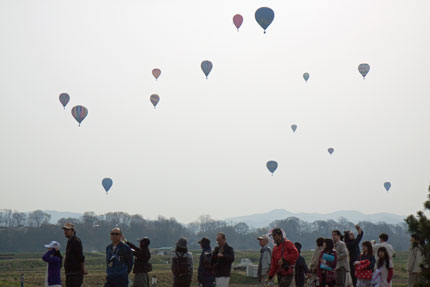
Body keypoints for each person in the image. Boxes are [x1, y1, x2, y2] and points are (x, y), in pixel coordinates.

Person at [62, 222, 86, 287]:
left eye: (67, 230)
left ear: (72, 231)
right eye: (64, 230)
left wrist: (83, 269)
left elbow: (80, 256)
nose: (65, 231)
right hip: (69, 273)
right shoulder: (69, 241)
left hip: (75, 273)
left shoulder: (76, 241)